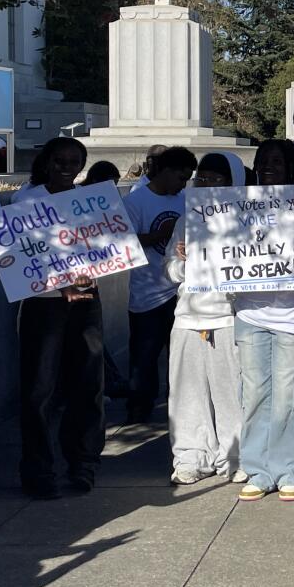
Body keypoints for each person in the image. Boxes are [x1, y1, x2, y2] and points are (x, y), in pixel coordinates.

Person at [12, 137, 106, 499]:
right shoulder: (26, 200)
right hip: (44, 303)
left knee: (87, 383)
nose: (66, 166)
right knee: (39, 389)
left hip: (86, 299)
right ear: (46, 162)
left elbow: (104, 247)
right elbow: (19, 255)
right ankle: (38, 470)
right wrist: (59, 282)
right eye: (60, 160)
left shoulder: (89, 200)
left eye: (74, 161)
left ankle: (82, 463)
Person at [234, 141, 294, 503]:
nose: (270, 167)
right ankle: (257, 469)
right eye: (264, 161)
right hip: (249, 313)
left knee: (289, 397)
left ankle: (290, 469)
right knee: (254, 396)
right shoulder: (235, 208)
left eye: (278, 161)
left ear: (290, 168)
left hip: (292, 315)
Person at [165, 153, 247, 486]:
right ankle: (190, 456)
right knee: (187, 394)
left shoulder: (246, 219)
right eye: (203, 180)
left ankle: (235, 455)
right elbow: (170, 271)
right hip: (188, 317)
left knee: (231, 394)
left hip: (227, 318)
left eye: (217, 179)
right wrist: (183, 260)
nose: (209, 186)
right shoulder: (186, 220)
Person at [122, 147, 196, 423]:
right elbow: (125, 242)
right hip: (146, 293)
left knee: (179, 357)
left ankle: (178, 405)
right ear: (165, 172)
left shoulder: (186, 200)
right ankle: (139, 407)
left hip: (179, 290)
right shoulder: (136, 201)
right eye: (180, 177)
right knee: (144, 356)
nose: (183, 184)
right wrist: (157, 236)